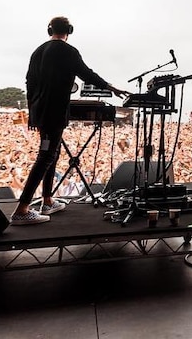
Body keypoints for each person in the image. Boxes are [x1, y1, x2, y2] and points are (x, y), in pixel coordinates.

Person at [10, 16, 128, 226]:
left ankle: (47, 200)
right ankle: (22, 209)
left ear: (50, 30)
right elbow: (88, 75)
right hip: (54, 111)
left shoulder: (37, 51)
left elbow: (29, 82)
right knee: (45, 156)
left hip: (41, 110)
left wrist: (32, 111)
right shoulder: (68, 51)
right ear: (69, 31)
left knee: (52, 153)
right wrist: (112, 87)